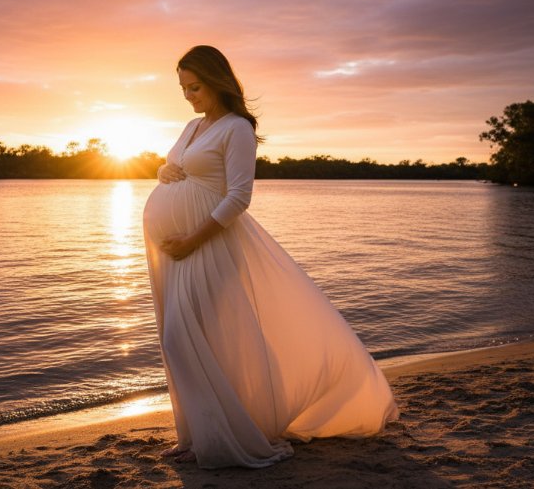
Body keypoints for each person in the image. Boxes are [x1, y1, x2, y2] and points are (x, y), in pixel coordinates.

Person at [142, 45, 399, 468]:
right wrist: (163, 173)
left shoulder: (236, 128)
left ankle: (225, 435)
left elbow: (239, 196)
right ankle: (194, 436)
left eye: (195, 86)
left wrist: (192, 239)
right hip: (177, 252)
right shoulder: (192, 126)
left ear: (218, 80)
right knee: (190, 342)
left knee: (183, 338)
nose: (188, 95)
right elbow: (174, 167)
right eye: (183, 88)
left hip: (209, 247)